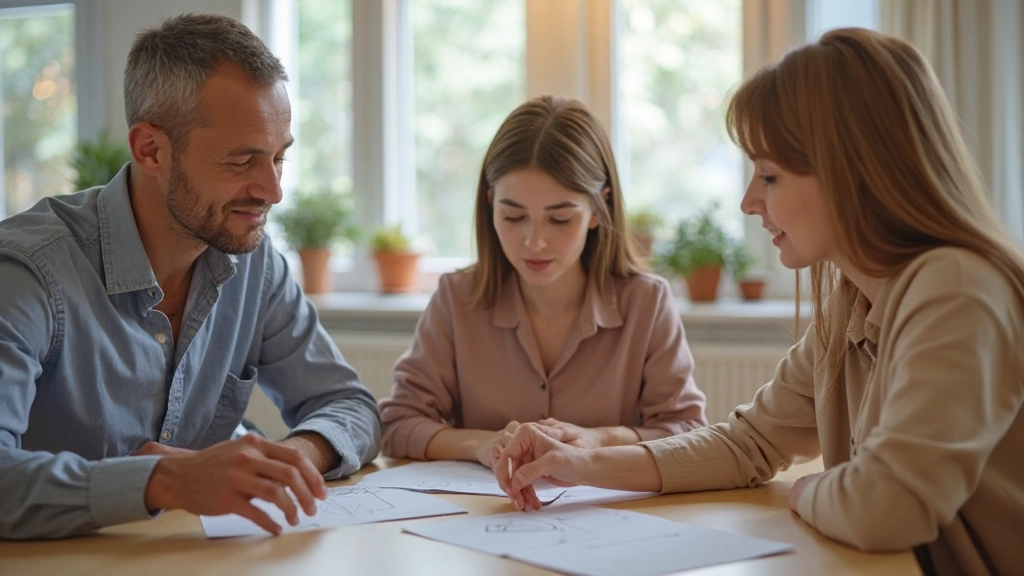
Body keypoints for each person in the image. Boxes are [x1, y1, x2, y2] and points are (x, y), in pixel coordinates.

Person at [496, 28, 1024, 575]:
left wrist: (810, 492)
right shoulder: (851, 304)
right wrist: (582, 463)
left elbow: (889, 509)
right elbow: (746, 443)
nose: (749, 202)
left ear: (854, 175)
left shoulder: (956, 288)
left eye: (769, 176)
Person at [0, 13, 381, 540]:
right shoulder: (26, 273)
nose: (272, 191)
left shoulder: (255, 263)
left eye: (278, 158)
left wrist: (292, 458)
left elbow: (350, 405)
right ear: (151, 149)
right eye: (243, 160)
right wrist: (162, 481)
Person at [378, 95, 708, 469]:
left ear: (598, 209)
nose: (534, 242)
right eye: (514, 216)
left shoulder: (646, 303)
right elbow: (396, 425)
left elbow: (687, 429)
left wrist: (597, 440)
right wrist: (483, 445)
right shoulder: (457, 298)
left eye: (560, 219)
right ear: (490, 204)